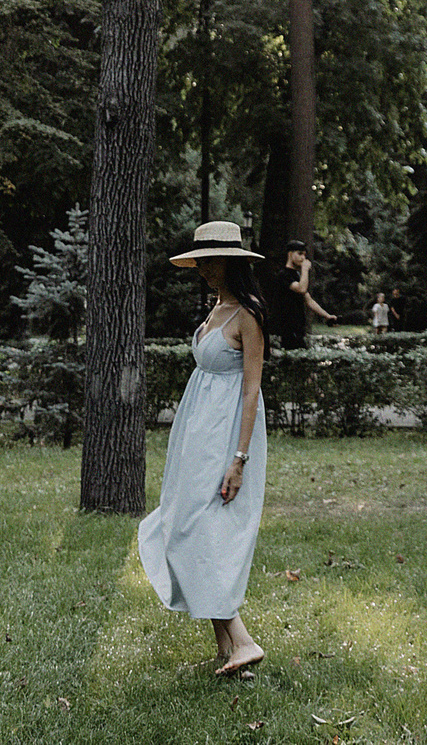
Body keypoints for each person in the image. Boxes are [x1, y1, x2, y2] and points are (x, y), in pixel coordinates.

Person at [136, 221, 269, 678]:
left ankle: (243, 638)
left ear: (230, 261)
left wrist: (239, 459)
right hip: (197, 432)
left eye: (211, 261)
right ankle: (227, 649)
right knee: (187, 525)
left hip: (226, 436)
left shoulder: (247, 315)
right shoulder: (215, 310)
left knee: (191, 530)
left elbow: (251, 391)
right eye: (200, 262)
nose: (204, 270)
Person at [282, 241, 337, 329]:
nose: (303, 258)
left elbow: (308, 300)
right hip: (285, 327)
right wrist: (305, 269)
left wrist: (327, 316)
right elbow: (301, 289)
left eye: (304, 255)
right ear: (290, 254)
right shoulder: (284, 274)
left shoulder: (297, 275)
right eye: (299, 254)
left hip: (297, 327)